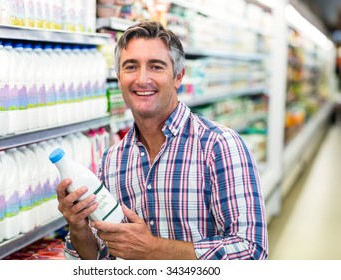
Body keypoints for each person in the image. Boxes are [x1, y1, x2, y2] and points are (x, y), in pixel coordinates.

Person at [56, 21, 268, 260]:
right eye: (131, 67)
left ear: (178, 77)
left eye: (156, 67)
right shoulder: (113, 159)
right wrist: (78, 228)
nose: (142, 79)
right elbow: (99, 258)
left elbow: (252, 252)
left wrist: (154, 250)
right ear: (118, 77)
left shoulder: (220, 146)